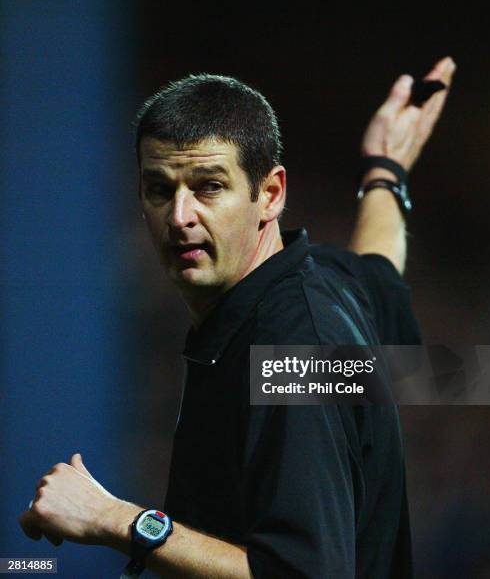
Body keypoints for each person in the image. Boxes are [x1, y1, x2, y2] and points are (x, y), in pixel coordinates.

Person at [19, 57, 456, 578]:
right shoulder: (321, 283)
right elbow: (378, 267)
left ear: (269, 194)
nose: (180, 218)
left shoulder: (293, 353)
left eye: (208, 187)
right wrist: (386, 169)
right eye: (160, 189)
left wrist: (116, 520)